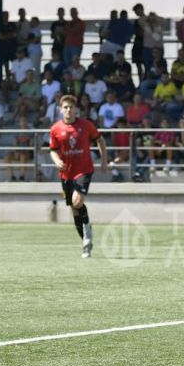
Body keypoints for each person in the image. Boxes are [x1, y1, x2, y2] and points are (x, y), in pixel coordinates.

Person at [49, 94, 108, 258]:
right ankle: (86, 242)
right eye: (65, 107)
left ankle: (87, 229)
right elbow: (53, 150)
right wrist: (57, 161)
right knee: (75, 210)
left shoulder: (86, 125)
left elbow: (100, 141)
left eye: (71, 107)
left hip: (84, 170)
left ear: (76, 109)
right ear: (61, 110)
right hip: (66, 173)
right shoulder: (56, 129)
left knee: (77, 201)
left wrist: (104, 161)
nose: (68, 110)